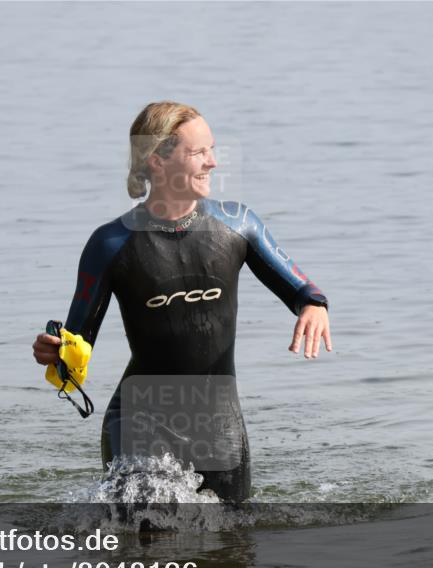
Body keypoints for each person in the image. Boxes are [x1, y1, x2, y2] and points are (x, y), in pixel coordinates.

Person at [32, 101, 331, 503]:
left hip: (220, 428)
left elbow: (301, 289)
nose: (212, 162)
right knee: (148, 541)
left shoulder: (237, 225)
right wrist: (54, 352)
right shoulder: (111, 244)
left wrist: (313, 306)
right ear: (157, 160)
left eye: (212, 149)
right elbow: (76, 342)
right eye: (199, 152)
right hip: (138, 421)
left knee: (229, 549)